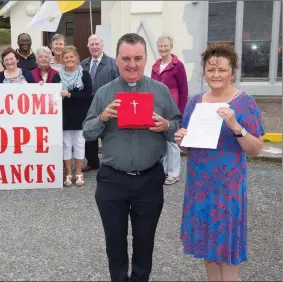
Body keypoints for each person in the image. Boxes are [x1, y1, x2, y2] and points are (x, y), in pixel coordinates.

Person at [82, 33, 181, 281]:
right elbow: (87, 131)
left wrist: (166, 126)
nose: (132, 64)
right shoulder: (105, 93)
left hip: (148, 180)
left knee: (145, 240)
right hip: (113, 180)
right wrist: (103, 117)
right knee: (114, 241)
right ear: (117, 60)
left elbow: (178, 127)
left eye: (138, 58)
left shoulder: (160, 91)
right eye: (126, 58)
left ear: (146, 59)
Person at [174, 43, 264, 282]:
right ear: (204, 71)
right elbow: (187, 146)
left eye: (222, 70)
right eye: (211, 69)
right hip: (200, 187)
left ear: (233, 71)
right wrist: (181, 139)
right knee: (209, 249)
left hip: (228, 189)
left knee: (227, 249)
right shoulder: (195, 103)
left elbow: (256, 149)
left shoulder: (244, 103)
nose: (216, 75)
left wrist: (236, 127)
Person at [151, 35, 188, 185]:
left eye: (166, 46)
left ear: (171, 47)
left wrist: (181, 110)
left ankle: (174, 173)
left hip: (173, 107)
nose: (163, 49)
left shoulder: (178, 66)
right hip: (159, 107)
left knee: (172, 141)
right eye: (160, 46)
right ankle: (165, 170)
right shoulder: (155, 66)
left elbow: (184, 90)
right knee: (162, 140)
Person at [81, 34, 120, 173]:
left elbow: (119, 83)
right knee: (91, 131)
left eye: (97, 44)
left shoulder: (112, 63)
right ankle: (92, 162)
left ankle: (110, 161)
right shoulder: (83, 64)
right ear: (88, 46)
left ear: (102, 45)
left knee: (107, 133)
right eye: (92, 44)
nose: (94, 47)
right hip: (89, 104)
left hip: (107, 103)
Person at [60, 46, 93, 187]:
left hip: (80, 116)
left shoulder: (84, 75)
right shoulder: (57, 76)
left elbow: (87, 95)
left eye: (71, 57)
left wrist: (70, 94)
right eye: (66, 57)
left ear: (76, 58)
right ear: (62, 60)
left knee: (79, 144)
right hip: (64, 117)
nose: (69, 59)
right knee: (66, 145)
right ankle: (68, 173)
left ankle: (78, 172)